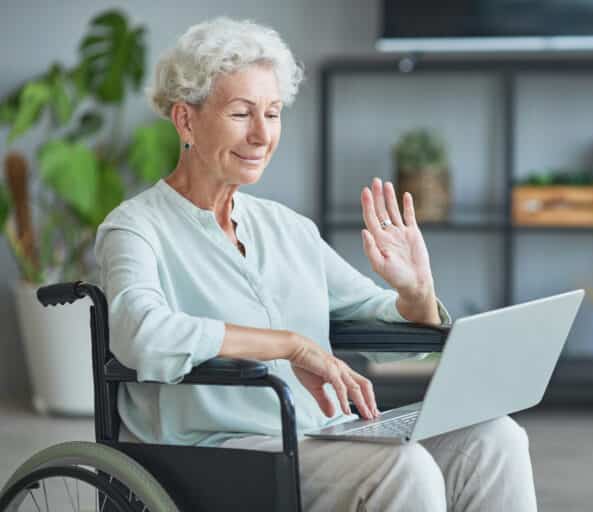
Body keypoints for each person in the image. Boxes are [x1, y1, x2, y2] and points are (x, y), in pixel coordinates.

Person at [94, 17, 537, 512]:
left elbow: (382, 314)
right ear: (186, 120)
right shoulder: (135, 227)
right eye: (242, 113)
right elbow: (141, 333)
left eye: (274, 113)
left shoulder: (290, 229)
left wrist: (414, 292)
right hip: (216, 452)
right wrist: (291, 346)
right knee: (402, 469)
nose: (262, 135)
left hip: (323, 437)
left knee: (495, 440)